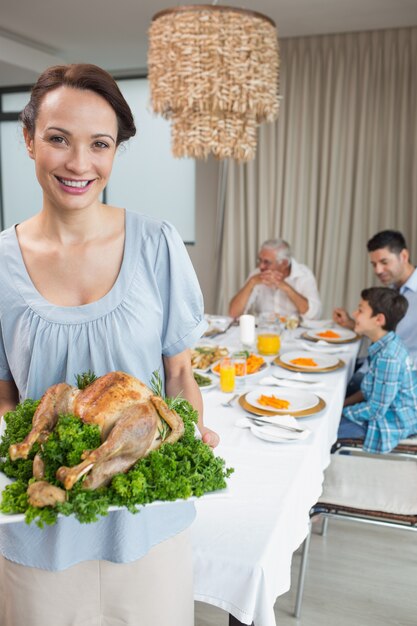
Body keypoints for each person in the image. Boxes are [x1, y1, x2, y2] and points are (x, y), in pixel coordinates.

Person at [0, 63, 218, 626]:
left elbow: (179, 379)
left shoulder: (157, 243)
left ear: (117, 150)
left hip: (147, 532)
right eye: (57, 139)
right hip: (38, 537)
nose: (79, 164)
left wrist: (190, 434)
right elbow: (4, 400)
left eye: (99, 144)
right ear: (29, 141)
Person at [337, 287, 417, 453]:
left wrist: (341, 412)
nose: (354, 314)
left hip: (391, 421)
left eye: (360, 310)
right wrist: (341, 406)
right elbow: (370, 391)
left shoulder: (388, 357)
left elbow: (375, 410)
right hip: (382, 411)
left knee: (329, 429)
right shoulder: (383, 344)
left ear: (379, 319)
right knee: (332, 417)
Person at [334, 230, 417, 365]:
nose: (378, 270)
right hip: (372, 365)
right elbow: (383, 332)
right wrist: (350, 323)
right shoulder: (391, 290)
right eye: (374, 264)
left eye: (384, 262)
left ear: (404, 256)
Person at [228, 238, 322, 320]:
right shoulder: (256, 274)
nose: (261, 266)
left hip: (294, 332)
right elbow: (233, 313)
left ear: (284, 263)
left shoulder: (304, 275)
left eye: (267, 262)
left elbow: (313, 315)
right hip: (264, 331)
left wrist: (285, 287)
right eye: (260, 260)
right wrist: (251, 283)